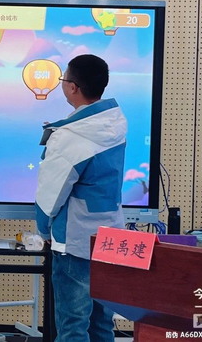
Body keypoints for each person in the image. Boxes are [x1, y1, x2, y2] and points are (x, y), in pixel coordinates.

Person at [35, 54, 127, 342]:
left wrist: (43, 231)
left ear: (73, 87)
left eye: (63, 79)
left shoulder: (70, 136)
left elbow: (50, 195)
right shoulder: (114, 121)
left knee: (72, 327)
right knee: (101, 324)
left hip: (75, 242)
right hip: (110, 237)